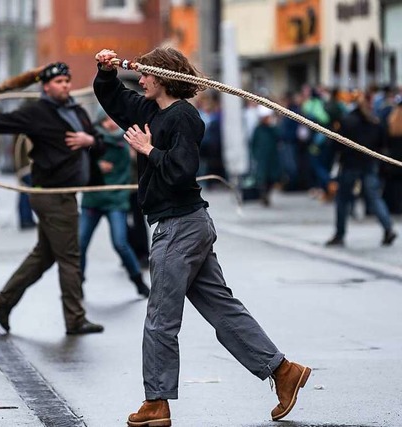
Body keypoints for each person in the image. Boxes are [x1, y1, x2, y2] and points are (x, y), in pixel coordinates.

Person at [94, 47, 311, 426]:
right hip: (186, 225)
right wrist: (105, 71)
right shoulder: (151, 110)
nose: (140, 80)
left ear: (161, 77)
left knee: (161, 318)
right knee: (222, 309)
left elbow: (180, 170)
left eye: (145, 75)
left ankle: (156, 403)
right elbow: (114, 99)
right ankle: (284, 372)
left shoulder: (184, 117)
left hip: (179, 226)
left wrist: (149, 150)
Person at [0, 62, 105, 335]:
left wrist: (89, 141)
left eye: (67, 80)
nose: (65, 85)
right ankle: (75, 318)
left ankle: (4, 299)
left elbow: (99, 142)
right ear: (45, 86)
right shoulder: (36, 112)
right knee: (70, 258)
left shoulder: (77, 111)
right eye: (58, 82)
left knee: (44, 256)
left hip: (67, 193)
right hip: (51, 194)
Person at [79, 112, 150, 298]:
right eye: (106, 119)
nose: (110, 123)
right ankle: (77, 284)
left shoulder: (127, 139)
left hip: (116, 199)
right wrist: (95, 167)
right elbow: (80, 162)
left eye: (112, 118)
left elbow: (136, 163)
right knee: (80, 243)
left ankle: (137, 280)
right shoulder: (91, 140)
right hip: (92, 200)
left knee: (120, 243)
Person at [325, 91, 397, 247]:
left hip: (351, 165)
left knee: (343, 200)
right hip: (369, 164)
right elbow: (383, 144)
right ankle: (388, 228)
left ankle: (340, 234)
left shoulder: (348, 120)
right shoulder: (375, 122)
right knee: (374, 198)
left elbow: (337, 145)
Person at [250, 105, 281, 206]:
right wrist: (255, 155)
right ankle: (263, 195)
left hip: (272, 157)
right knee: (262, 178)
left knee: (272, 178)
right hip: (262, 157)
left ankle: (267, 194)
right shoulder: (258, 129)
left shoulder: (272, 129)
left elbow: (280, 136)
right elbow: (253, 143)